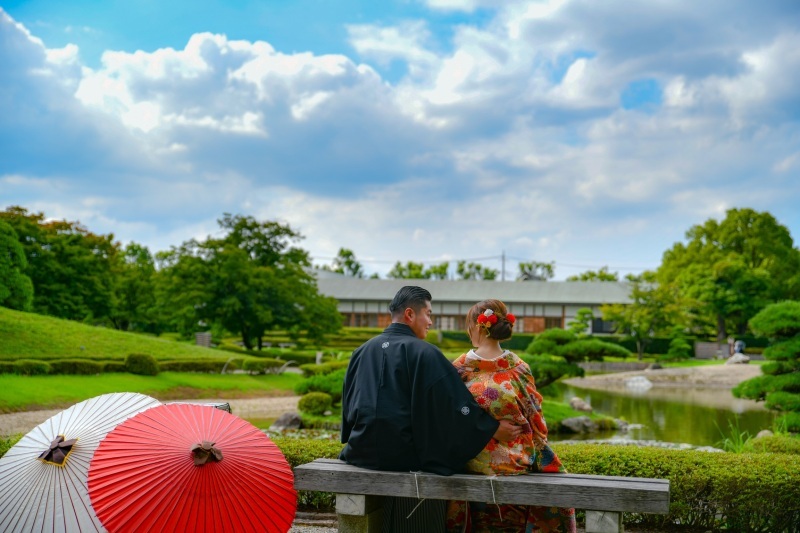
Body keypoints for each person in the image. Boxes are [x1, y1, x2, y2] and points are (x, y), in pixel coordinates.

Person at [340, 286, 521, 532]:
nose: (431, 322)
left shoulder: (361, 352)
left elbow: (349, 402)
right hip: (407, 456)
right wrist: (491, 428)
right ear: (409, 314)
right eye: (428, 314)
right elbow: (454, 406)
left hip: (360, 451)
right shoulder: (425, 353)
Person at [445, 299, 577, 533]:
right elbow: (537, 422)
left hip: (470, 463)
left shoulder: (460, 368)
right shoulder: (518, 368)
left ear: (477, 327)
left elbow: (449, 417)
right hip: (515, 464)